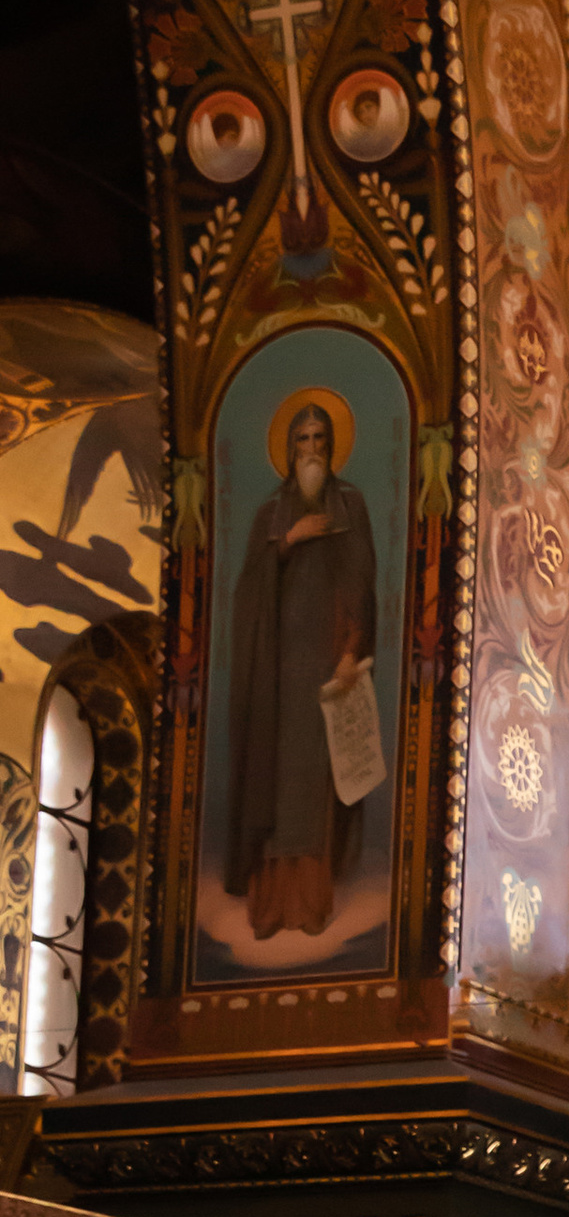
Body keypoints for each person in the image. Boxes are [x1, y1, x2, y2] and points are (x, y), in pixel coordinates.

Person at [225, 398, 378, 942]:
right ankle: (269, 908)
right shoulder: (272, 512)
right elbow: (249, 592)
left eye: (319, 439)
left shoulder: (349, 504)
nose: (311, 450)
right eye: (302, 440)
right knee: (274, 782)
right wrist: (289, 540)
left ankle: (309, 904)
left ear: (331, 446)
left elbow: (361, 585)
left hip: (326, 668)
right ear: (289, 450)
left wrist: (351, 650)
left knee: (315, 786)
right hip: (278, 672)